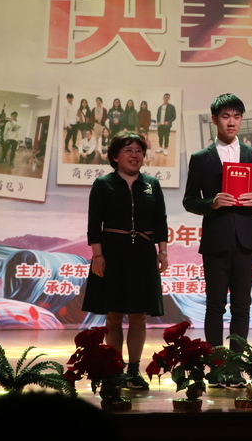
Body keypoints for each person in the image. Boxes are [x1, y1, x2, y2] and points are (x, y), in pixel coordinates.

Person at [183, 93, 252, 388]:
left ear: (241, 119)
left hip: (247, 240)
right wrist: (212, 203)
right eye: (225, 116)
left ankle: (235, 368)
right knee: (215, 305)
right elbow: (189, 200)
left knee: (243, 306)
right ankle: (216, 367)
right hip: (216, 240)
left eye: (236, 116)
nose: (231, 122)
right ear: (214, 120)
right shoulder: (201, 158)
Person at [82, 131, 169, 390]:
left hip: (143, 254)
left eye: (139, 151)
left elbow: (160, 220)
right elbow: (94, 224)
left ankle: (133, 370)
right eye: (128, 150)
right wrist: (97, 256)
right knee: (113, 315)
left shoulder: (151, 184)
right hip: (112, 254)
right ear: (115, 156)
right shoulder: (103, 184)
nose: (135, 155)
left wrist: (162, 251)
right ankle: (114, 369)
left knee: (139, 316)